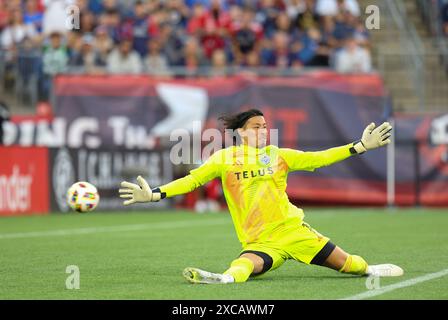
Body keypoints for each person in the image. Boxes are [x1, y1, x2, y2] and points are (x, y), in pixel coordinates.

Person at [119, 109, 403, 284]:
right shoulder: (224, 158)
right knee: (246, 264)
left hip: (294, 232)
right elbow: (192, 181)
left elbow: (318, 158)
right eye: (257, 126)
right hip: (260, 241)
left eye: (265, 126)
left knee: (349, 265)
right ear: (241, 132)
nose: (263, 130)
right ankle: (225, 280)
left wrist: (359, 146)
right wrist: (155, 194)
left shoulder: (277, 155)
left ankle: (369, 269)